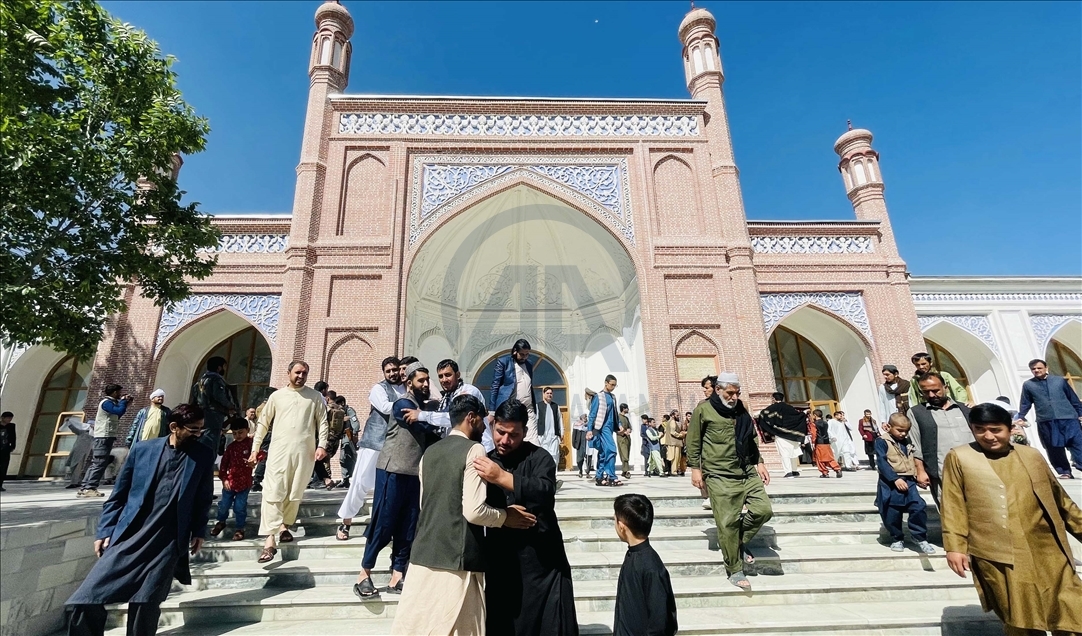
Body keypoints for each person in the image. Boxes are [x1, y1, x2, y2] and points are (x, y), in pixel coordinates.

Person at [390, 395, 535, 636]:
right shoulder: (474, 449)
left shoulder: (430, 452)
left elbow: (426, 504)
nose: (484, 428)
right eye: (482, 421)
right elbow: (474, 510)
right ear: (472, 417)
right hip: (458, 559)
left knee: (417, 626)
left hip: (423, 554)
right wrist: (505, 517)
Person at [65, 404, 214, 636]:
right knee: (87, 598)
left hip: (167, 541)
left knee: (146, 603)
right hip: (130, 536)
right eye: (193, 430)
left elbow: (203, 497)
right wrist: (105, 531)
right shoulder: (143, 450)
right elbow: (119, 495)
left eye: (200, 430)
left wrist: (199, 530)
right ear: (174, 427)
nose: (198, 435)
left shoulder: (203, 454)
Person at [942, 403, 1082, 636]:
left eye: (996, 430)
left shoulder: (1031, 455)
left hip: (1048, 550)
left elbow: (1062, 501)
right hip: (999, 553)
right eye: (980, 430)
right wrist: (954, 546)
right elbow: (953, 504)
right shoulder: (960, 458)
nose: (988, 436)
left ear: (1011, 428)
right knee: (1022, 619)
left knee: (1071, 613)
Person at [478, 399, 578, 636]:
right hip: (503, 561)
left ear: (524, 431)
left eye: (513, 435)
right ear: (493, 426)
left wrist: (502, 478)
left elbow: (544, 491)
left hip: (542, 562)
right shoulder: (487, 461)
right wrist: (504, 517)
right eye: (500, 432)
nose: (505, 440)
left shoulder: (539, 457)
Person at [355, 361, 440, 598]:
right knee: (384, 522)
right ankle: (364, 573)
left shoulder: (423, 407)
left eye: (427, 380)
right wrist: (438, 418)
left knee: (408, 526)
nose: (425, 384)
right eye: (420, 380)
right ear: (409, 382)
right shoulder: (403, 403)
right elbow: (422, 425)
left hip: (414, 474)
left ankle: (397, 575)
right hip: (392, 470)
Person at [687, 372, 773, 590]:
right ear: (718, 390)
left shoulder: (741, 409)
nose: (734, 397)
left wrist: (759, 462)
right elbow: (694, 440)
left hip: (746, 469)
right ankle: (734, 569)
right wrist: (695, 469)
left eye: (737, 393)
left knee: (763, 510)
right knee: (727, 522)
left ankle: (737, 541)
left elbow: (751, 436)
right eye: (730, 392)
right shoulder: (703, 410)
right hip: (718, 473)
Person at [247, 361, 329, 564]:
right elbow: (263, 423)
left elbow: (323, 423)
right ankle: (269, 540)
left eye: (305, 373)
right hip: (278, 452)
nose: (301, 376)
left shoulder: (315, 397)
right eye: (297, 372)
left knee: (294, 492)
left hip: (304, 452)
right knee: (273, 491)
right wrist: (255, 449)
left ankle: (285, 525)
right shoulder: (277, 396)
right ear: (288, 373)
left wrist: (322, 446)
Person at [337, 357, 405, 540]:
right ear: (384, 372)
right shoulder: (378, 389)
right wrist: (410, 404)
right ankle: (346, 523)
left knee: (389, 487)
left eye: (395, 370)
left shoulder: (406, 388)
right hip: (374, 443)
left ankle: (382, 528)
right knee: (359, 483)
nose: (392, 373)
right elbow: (385, 407)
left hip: (396, 445)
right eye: (388, 371)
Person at [612, 494, 677, 636]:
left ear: (622, 526)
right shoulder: (634, 555)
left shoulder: (650, 566)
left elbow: (659, 621)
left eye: (615, 519)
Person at [907, 371, 972, 508]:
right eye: (926, 392)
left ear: (945, 387)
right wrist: (920, 470)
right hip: (941, 472)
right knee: (950, 512)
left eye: (935, 390)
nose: (931, 395)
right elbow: (915, 444)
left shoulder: (965, 409)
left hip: (972, 469)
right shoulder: (917, 413)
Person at [874, 414, 935, 554]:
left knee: (918, 506)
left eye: (906, 431)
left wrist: (918, 476)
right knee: (892, 511)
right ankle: (897, 538)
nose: (903, 433)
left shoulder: (907, 441)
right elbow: (882, 462)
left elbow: (914, 458)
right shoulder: (882, 441)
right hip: (890, 482)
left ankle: (919, 536)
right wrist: (894, 479)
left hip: (909, 481)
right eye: (900, 430)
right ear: (889, 427)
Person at [1016, 358, 1082, 479]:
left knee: (1077, 443)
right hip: (1046, 420)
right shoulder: (1028, 385)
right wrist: (1021, 416)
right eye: (1033, 369)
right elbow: (1025, 403)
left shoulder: (1059, 381)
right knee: (1053, 446)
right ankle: (1065, 471)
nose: (1036, 370)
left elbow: (1073, 398)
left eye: (1039, 368)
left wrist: (1080, 413)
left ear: (1046, 368)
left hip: (1068, 418)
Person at [78, 384, 132, 498]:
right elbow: (118, 412)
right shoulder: (106, 403)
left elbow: (117, 414)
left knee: (96, 463)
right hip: (103, 436)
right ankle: (90, 488)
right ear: (114, 392)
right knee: (99, 463)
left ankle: (85, 487)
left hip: (105, 436)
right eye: (119, 392)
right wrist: (123, 402)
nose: (120, 395)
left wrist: (125, 403)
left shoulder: (110, 403)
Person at [211, 418, 255, 541]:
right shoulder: (231, 447)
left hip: (244, 483)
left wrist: (256, 460)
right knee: (224, 505)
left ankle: (240, 528)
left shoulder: (251, 445)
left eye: (240, 432)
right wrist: (224, 479)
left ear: (247, 430)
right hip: (230, 482)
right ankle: (221, 521)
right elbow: (224, 465)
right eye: (234, 433)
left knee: (239, 507)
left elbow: (261, 454)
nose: (237, 436)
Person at [489, 339, 537, 449]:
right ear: (515, 351)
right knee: (512, 438)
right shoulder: (504, 362)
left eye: (527, 354)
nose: (525, 357)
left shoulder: (529, 365)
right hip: (510, 408)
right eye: (522, 354)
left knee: (533, 440)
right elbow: (495, 386)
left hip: (528, 408)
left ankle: (532, 464)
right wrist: (492, 410)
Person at [190, 356, 237, 457]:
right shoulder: (216, 379)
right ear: (219, 368)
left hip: (201, 415)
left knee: (201, 439)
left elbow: (193, 400)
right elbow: (219, 395)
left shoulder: (200, 381)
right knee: (211, 443)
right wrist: (231, 406)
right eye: (224, 366)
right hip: (214, 415)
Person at [756, 392, 806, 478]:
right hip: (793, 435)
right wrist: (804, 413)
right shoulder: (790, 407)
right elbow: (799, 415)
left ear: (774, 399)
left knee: (784, 453)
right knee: (793, 453)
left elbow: (764, 414)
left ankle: (789, 472)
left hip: (781, 434)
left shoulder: (773, 408)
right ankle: (794, 471)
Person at [587, 374, 621, 486]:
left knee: (603, 453)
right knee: (612, 450)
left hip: (610, 427)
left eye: (615, 385)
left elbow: (614, 413)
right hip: (601, 428)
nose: (613, 387)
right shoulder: (599, 396)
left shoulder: (613, 397)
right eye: (612, 385)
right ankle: (611, 477)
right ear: (606, 383)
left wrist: (618, 424)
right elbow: (592, 414)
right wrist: (589, 429)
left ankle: (599, 477)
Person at [810, 409, 842, 478]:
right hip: (826, 442)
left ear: (815, 415)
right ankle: (837, 469)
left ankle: (825, 472)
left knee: (819, 458)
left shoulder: (814, 424)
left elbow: (814, 434)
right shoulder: (825, 423)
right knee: (829, 457)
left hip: (819, 442)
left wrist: (813, 442)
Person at [537, 387, 564, 468]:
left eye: (551, 393)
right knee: (543, 456)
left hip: (553, 436)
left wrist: (562, 432)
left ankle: (554, 476)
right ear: (544, 394)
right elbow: (535, 420)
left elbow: (559, 420)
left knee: (554, 456)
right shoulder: (538, 406)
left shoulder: (555, 406)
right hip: (542, 436)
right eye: (547, 393)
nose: (549, 395)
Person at [335, 395, 358, 487]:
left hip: (348, 435)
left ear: (342, 403)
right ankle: (345, 479)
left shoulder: (349, 411)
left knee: (346, 456)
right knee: (344, 458)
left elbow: (355, 422)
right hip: (342, 436)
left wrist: (355, 434)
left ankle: (349, 478)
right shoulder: (341, 412)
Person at [572, 413, 593, 478]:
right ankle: (580, 471)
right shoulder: (576, 425)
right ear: (581, 417)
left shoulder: (589, 425)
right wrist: (574, 444)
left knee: (588, 458)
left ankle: (588, 472)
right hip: (580, 444)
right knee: (579, 459)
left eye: (586, 417)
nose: (585, 418)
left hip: (588, 444)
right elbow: (574, 435)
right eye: (584, 416)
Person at [616, 403, 633, 478]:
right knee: (624, 454)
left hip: (627, 437)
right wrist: (623, 432)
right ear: (623, 409)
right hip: (621, 437)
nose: (628, 409)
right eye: (627, 408)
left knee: (627, 453)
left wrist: (629, 430)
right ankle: (626, 470)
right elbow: (616, 428)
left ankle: (624, 470)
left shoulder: (626, 418)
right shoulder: (618, 417)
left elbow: (630, 427)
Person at [666, 411, 686, 477]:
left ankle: (673, 470)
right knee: (675, 457)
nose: (678, 416)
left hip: (673, 442)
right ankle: (674, 471)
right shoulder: (672, 422)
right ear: (672, 415)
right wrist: (680, 435)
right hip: (674, 442)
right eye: (677, 415)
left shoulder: (669, 422)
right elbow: (673, 432)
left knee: (674, 457)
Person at [0, 411, 15, 491]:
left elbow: (13, 437)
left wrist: (12, 446)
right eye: (8, 418)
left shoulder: (11, 426)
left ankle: (0, 484)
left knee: (3, 468)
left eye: (11, 418)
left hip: (6, 449)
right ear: (2, 418)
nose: (10, 419)